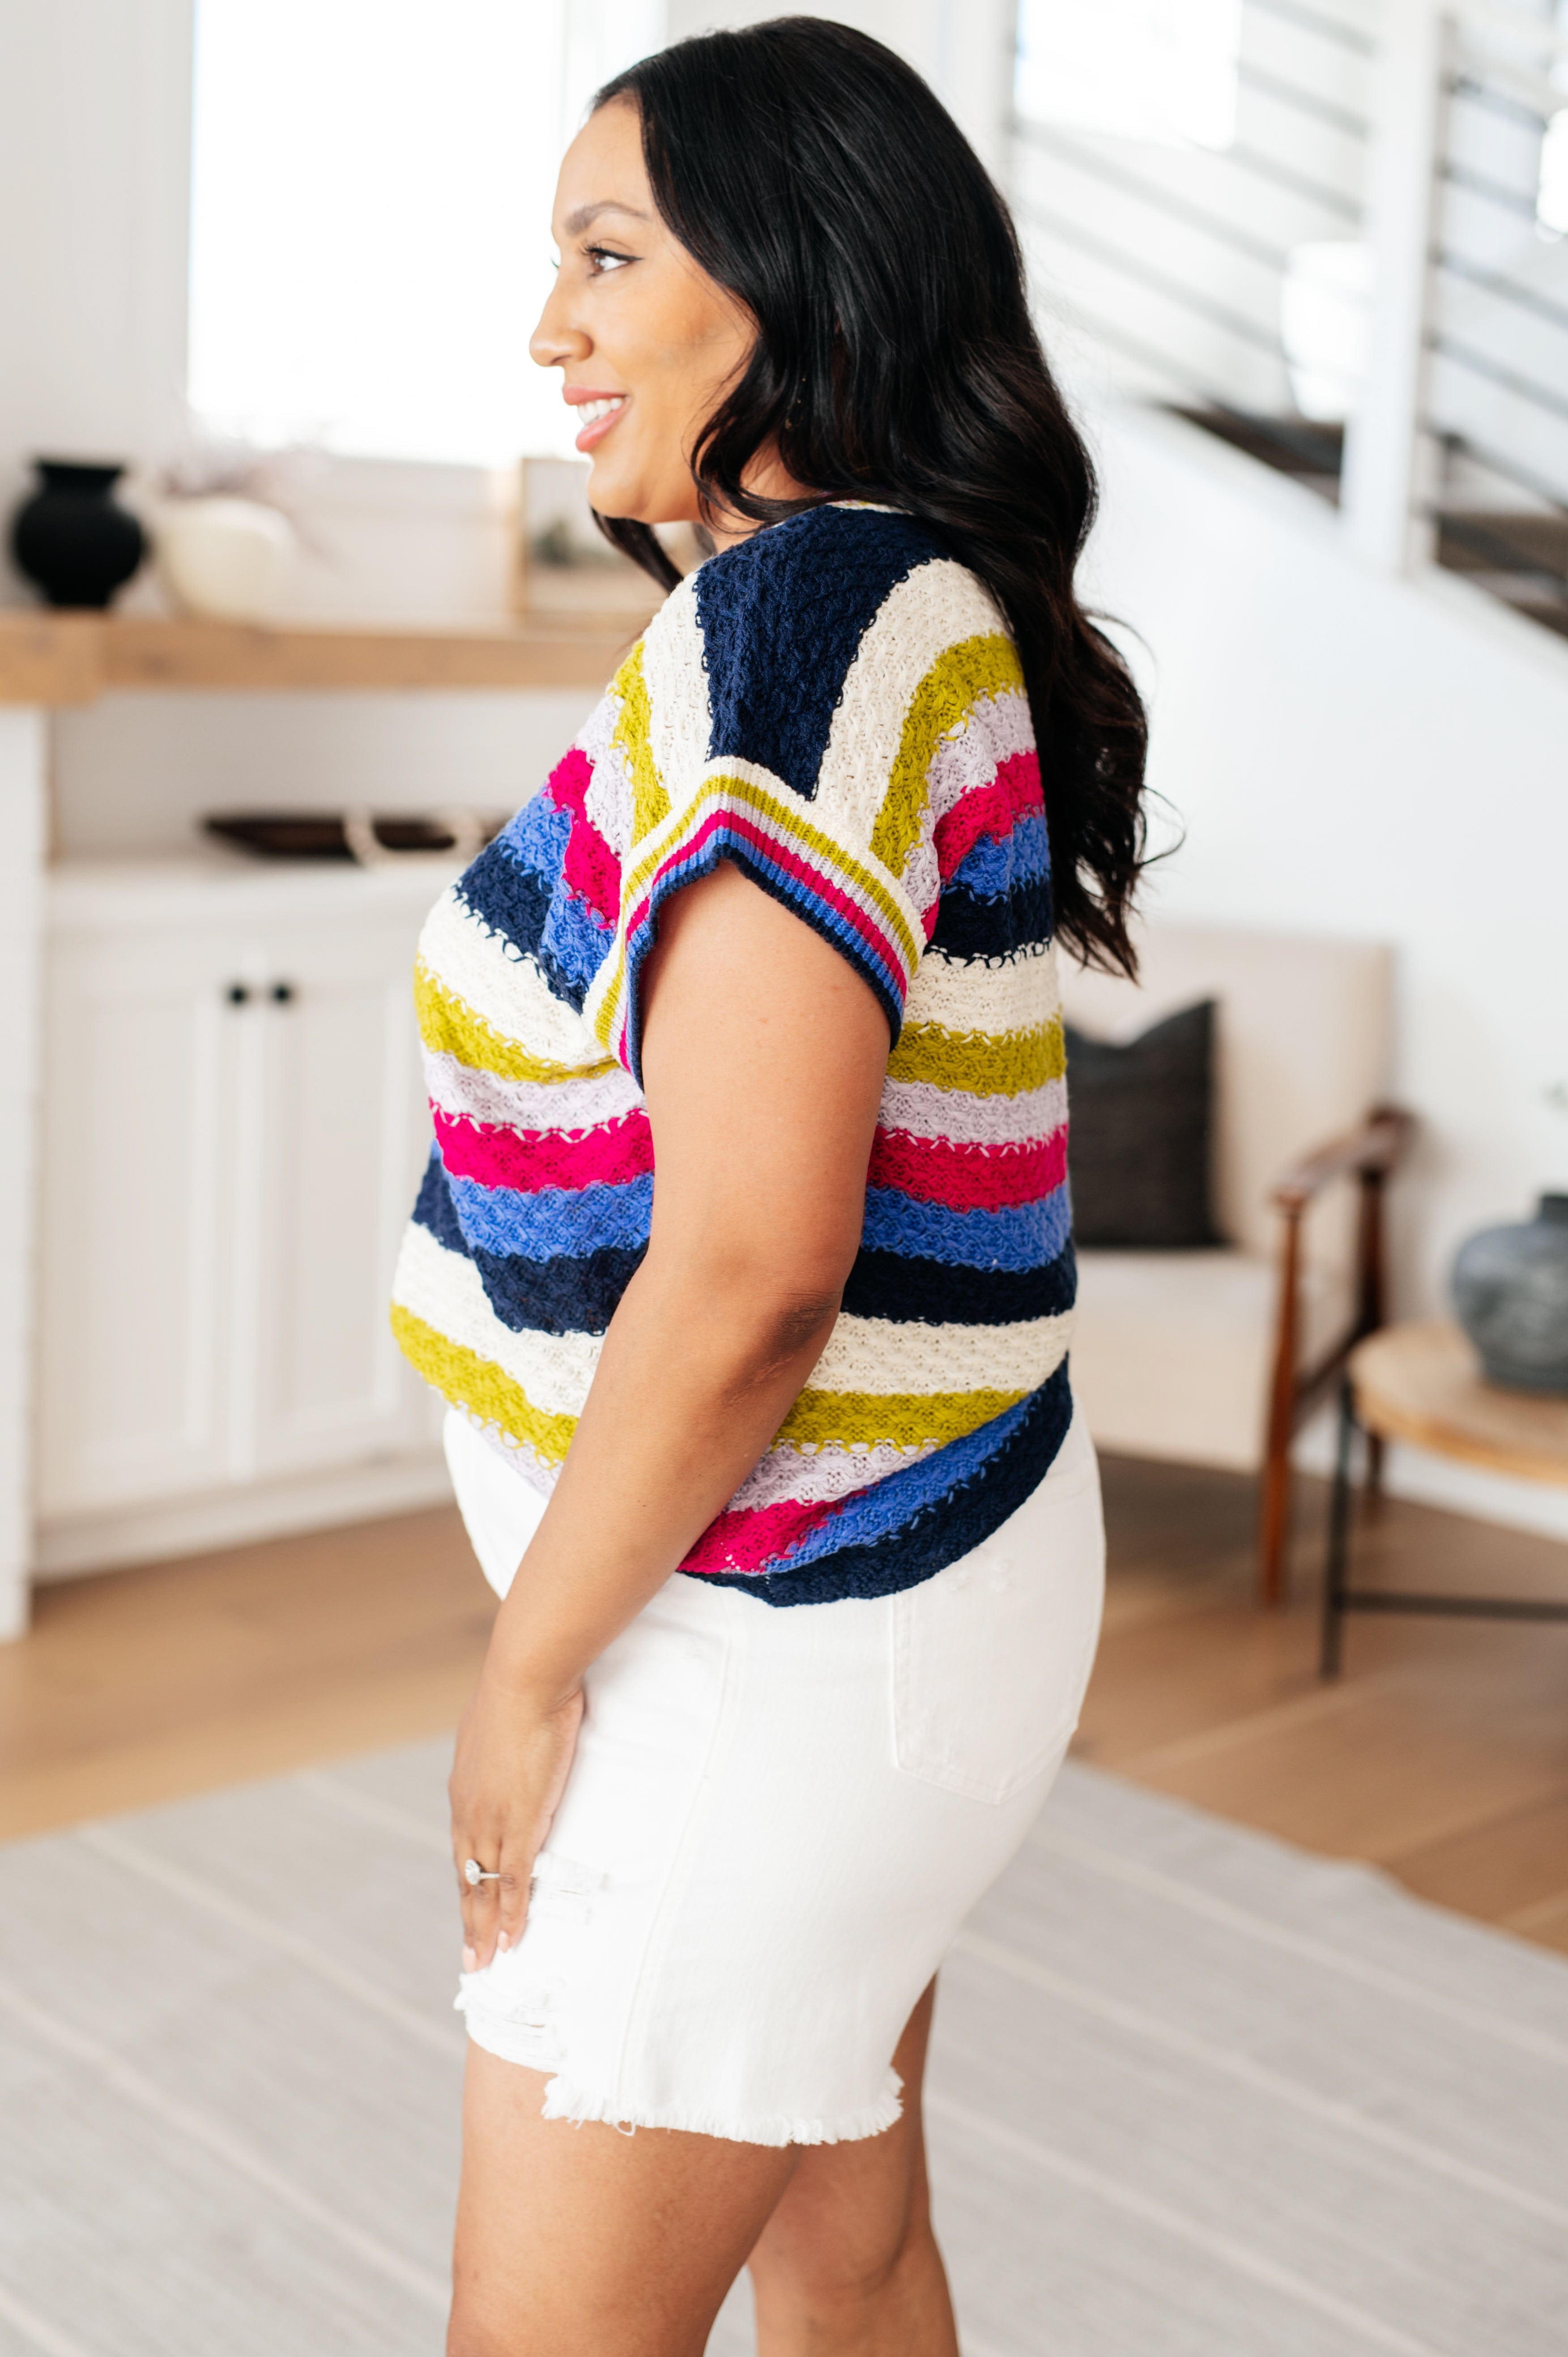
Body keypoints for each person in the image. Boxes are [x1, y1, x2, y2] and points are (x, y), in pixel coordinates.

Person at [389, 19, 1148, 2353]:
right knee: (853, 2255)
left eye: (609, 254)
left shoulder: (803, 619)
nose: (554, 330)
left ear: (801, 275)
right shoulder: (875, 599)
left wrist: (532, 1665)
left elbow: (749, 1268)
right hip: (901, 1590)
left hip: (770, 1640)